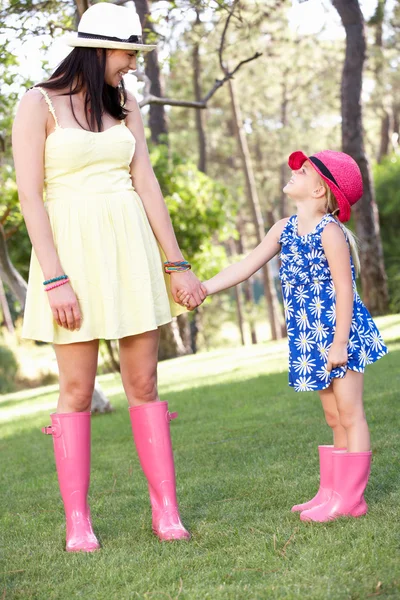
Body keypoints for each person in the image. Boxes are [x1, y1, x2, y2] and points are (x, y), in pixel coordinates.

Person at [12, 2, 205, 552]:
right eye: (127, 54)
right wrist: (54, 278)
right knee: (75, 390)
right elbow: (31, 196)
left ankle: (165, 512)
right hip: (70, 257)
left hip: (131, 250)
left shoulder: (125, 102)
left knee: (144, 384)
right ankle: (79, 522)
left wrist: (176, 263)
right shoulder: (37, 103)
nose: (132, 65)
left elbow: (145, 181)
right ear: (99, 49)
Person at [179, 149, 388, 522]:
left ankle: (352, 499)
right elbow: (246, 265)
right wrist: (205, 288)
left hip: (340, 331)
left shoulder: (331, 233)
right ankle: (331, 492)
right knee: (332, 415)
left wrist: (340, 342)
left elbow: (345, 289)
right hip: (310, 338)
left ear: (320, 192)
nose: (294, 171)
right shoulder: (283, 228)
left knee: (350, 412)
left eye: (304, 170)